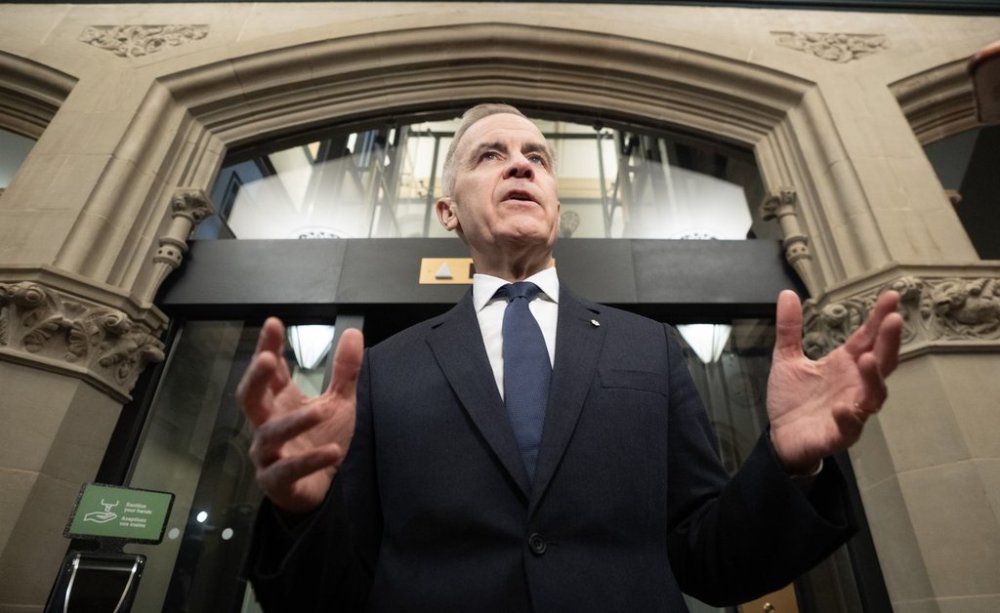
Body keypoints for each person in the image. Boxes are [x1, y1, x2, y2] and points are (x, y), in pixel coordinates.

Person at [238, 103, 903, 612]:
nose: (520, 164)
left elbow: (711, 561)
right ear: (446, 209)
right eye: (489, 156)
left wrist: (790, 467)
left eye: (537, 157)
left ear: (556, 205)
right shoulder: (388, 368)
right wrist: (301, 514)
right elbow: (336, 591)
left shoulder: (649, 348)